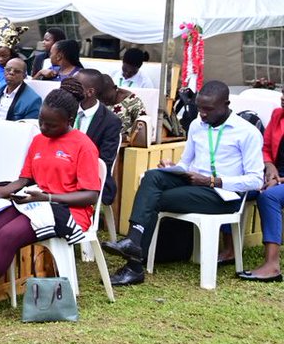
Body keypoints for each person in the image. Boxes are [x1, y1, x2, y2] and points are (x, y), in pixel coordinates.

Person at [102, 81, 263, 287]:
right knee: (152, 177)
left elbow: (256, 180)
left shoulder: (247, 132)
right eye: (199, 108)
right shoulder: (197, 125)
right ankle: (133, 241)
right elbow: (186, 163)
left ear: (226, 104)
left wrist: (212, 181)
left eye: (208, 109)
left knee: (155, 199)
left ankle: (134, 265)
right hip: (194, 183)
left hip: (223, 195)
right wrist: (173, 167)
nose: (202, 114)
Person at [0, 89, 102, 318]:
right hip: (35, 203)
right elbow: (24, 179)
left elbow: (91, 195)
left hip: (67, 211)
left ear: (69, 120)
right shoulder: (38, 140)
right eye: (41, 121)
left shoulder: (83, 145)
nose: (44, 128)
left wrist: (48, 198)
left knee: (8, 235)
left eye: (51, 125)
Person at [64, 72, 123, 206]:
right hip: (59, 169)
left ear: (90, 92)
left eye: (76, 86)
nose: (71, 89)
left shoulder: (110, 121)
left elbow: (105, 161)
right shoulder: (66, 110)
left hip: (89, 178)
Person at [245, 91, 284, 282]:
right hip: (272, 174)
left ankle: (272, 264)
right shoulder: (278, 115)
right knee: (238, 186)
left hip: (279, 181)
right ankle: (229, 250)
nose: (283, 97)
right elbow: (266, 147)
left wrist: (280, 180)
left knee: (269, 196)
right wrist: (270, 167)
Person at [97, 73, 149, 144]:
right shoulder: (95, 100)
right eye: (100, 98)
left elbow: (142, 124)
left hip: (123, 143)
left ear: (115, 88)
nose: (104, 102)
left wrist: (123, 136)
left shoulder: (132, 101)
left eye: (108, 98)